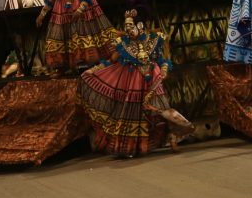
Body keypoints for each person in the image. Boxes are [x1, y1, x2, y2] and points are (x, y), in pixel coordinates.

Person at [77, 8, 194, 157]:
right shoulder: (123, 43)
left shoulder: (154, 39)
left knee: (161, 109)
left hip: (153, 80)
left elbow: (162, 60)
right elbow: (111, 60)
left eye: (131, 26)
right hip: (133, 83)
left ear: (140, 26)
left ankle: (172, 138)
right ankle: (131, 147)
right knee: (134, 114)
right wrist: (93, 70)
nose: (128, 30)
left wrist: (164, 70)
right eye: (126, 27)